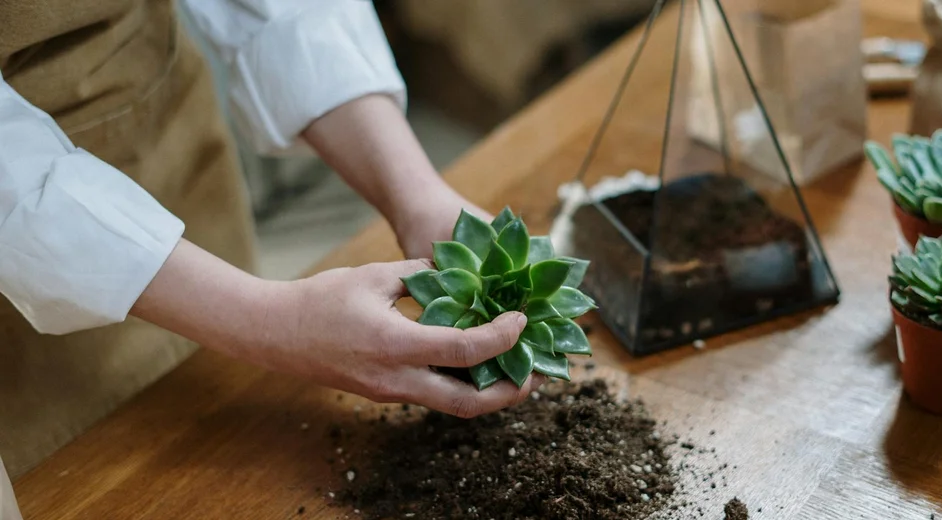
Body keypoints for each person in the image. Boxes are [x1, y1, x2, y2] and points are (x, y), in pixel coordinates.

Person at [0, 1, 545, 516]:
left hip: (154, 122)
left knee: (228, 419)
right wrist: (265, 319)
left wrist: (414, 195)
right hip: (18, 283)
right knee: (82, 485)